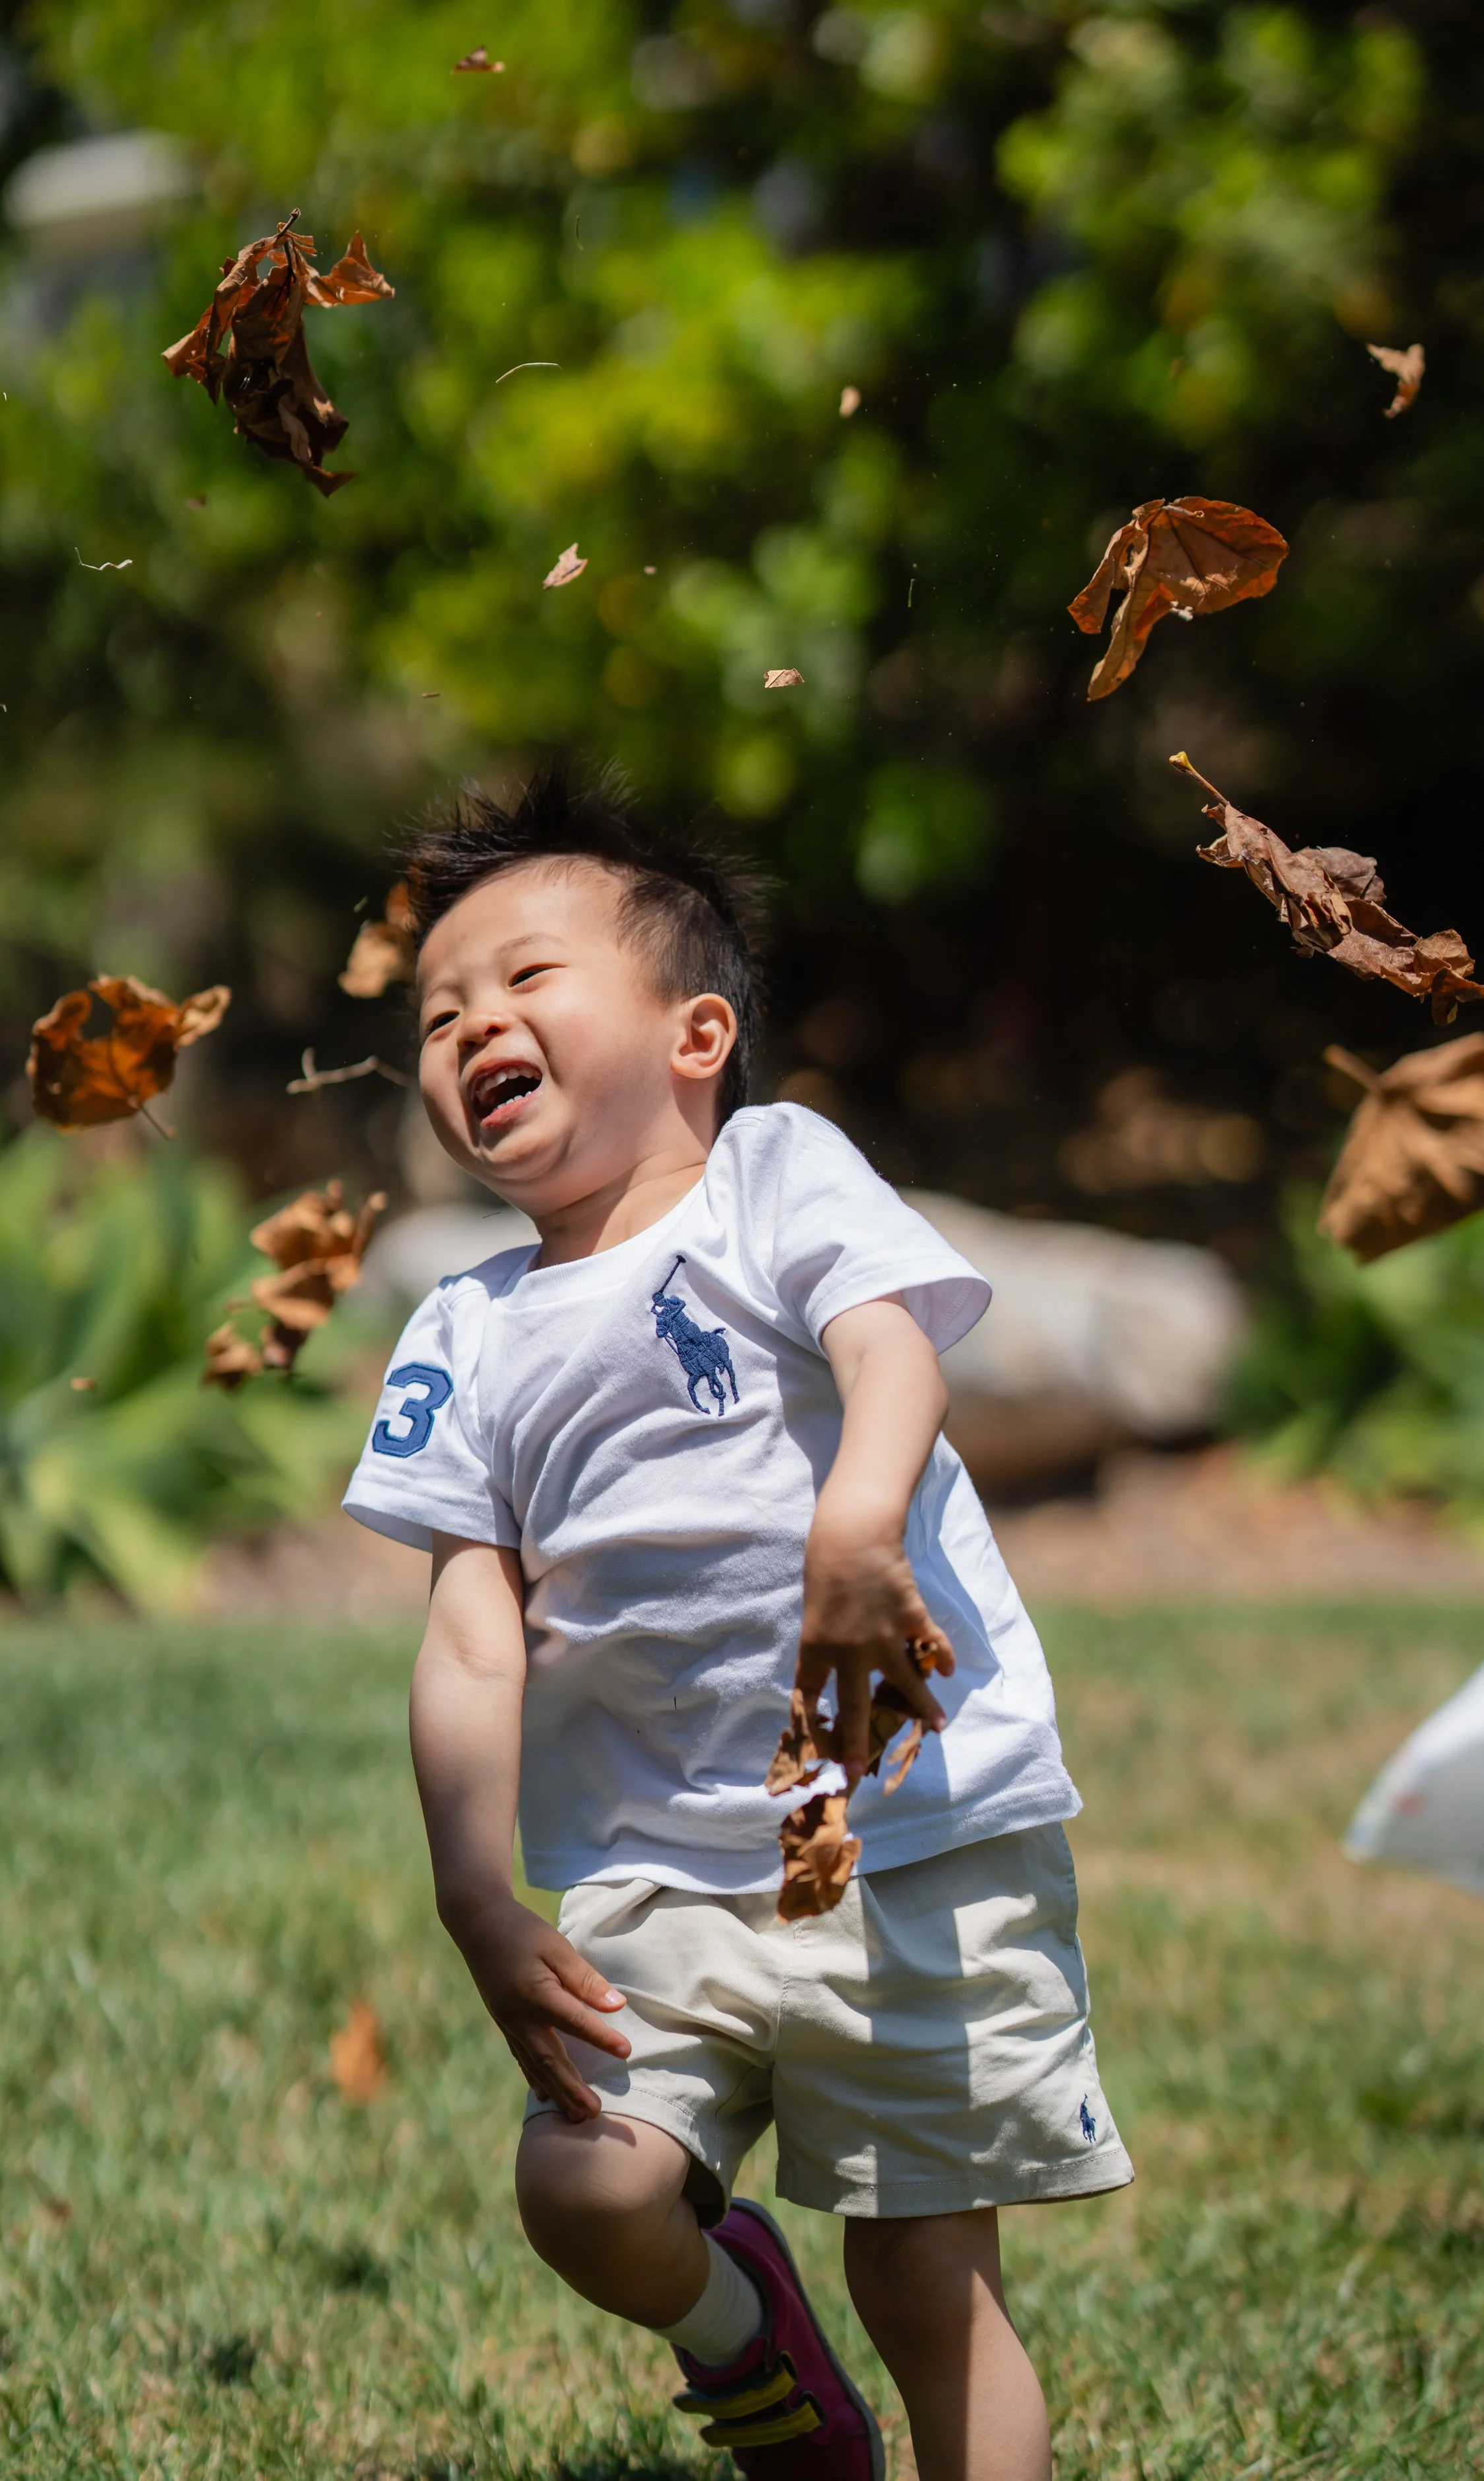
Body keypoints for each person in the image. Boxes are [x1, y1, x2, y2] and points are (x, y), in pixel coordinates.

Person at [343, 763, 1132, 2481]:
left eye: (526, 977)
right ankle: (743, 2338)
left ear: (694, 1031)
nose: (471, 1022)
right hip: (652, 1868)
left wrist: (858, 1519)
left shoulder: (771, 1176)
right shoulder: (460, 1331)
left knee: (924, 2264)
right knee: (586, 2183)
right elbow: (473, 1631)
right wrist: (473, 1883)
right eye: (436, 1010)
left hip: (907, 1835)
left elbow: (887, 1342)